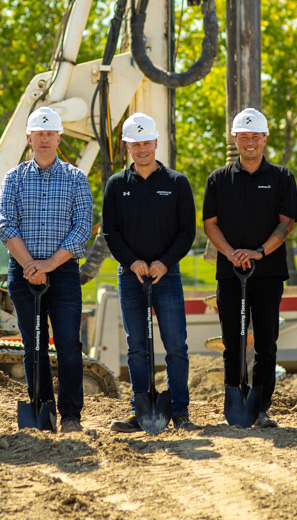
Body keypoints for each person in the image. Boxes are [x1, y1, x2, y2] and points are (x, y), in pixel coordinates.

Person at [0, 106, 93, 433]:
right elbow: (6, 225)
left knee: (67, 343)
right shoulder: (14, 178)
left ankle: (70, 417)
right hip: (23, 274)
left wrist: (48, 265)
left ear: (59, 137)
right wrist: (29, 265)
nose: (45, 139)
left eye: (50, 133)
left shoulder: (76, 178)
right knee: (32, 343)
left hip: (63, 273)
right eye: (39, 133)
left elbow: (82, 227)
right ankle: (41, 409)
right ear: (29, 138)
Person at [202, 108, 297, 429]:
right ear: (235, 139)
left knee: (266, 343)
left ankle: (261, 407)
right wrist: (231, 254)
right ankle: (236, 400)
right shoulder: (218, 179)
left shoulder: (282, 177)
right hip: (230, 274)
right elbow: (210, 224)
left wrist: (258, 252)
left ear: (265, 139)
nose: (249, 142)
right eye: (243, 136)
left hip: (268, 274)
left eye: (255, 136)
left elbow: (288, 223)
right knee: (233, 341)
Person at [102, 113, 197, 433]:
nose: (142, 148)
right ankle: (140, 410)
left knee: (176, 345)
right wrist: (133, 262)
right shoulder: (116, 185)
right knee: (137, 346)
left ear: (156, 143)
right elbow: (110, 231)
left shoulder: (176, 182)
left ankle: (180, 412)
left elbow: (187, 231)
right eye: (135, 143)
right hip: (131, 277)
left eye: (147, 142)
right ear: (127, 146)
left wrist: (164, 263)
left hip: (166, 276)